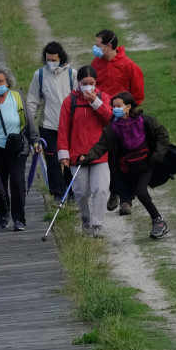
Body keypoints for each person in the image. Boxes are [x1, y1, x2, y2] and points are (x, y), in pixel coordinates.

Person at [77, 92, 170, 239]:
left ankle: (159, 221)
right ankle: (158, 221)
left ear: (128, 107)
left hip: (147, 162)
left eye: (118, 106)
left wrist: (157, 156)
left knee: (141, 192)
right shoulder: (112, 127)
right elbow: (101, 146)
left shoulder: (144, 120)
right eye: (113, 107)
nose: (115, 109)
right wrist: (87, 158)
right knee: (129, 192)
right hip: (128, 167)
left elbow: (162, 133)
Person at [91, 29, 146, 215]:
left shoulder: (128, 65)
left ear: (109, 46)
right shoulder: (95, 65)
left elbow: (138, 93)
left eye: (98, 45)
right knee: (109, 159)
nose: (95, 48)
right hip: (103, 120)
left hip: (124, 120)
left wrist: (126, 112)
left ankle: (126, 200)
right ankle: (114, 190)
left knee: (126, 160)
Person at [57, 66, 113, 238]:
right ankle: (85, 218)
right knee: (80, 191)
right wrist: (63, 154)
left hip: (99, 153)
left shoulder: (103, 98)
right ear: (78, 83)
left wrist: (95, 102)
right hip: (77, 154)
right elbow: (63, 128)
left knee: (101, 189)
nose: (88, 87)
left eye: (92, 83)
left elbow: (110, 119)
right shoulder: (70, 101)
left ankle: (97, 225)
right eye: (84, 83)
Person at [0, 67, 41, 232]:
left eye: (0, 81)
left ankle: (19, 218)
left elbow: (28, 121)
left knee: (17, 182)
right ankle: (3, 214)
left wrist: (35, 141)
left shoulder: (16, 96)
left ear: (7, 82)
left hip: (18, 147)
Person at [26, 41, 78, 200]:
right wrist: (28, 121)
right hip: (48, 126)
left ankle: (71, 193)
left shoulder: (72, 74)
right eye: (48, 59)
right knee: (53, 162)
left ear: (61, 58)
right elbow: (33, 100)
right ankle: (58, 194)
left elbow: (79, 98)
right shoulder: (39, 75)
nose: (51, 63)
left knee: (69, 161)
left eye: (54, 60)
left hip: (69, 127)